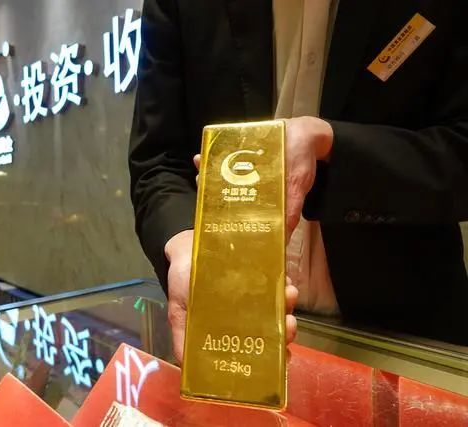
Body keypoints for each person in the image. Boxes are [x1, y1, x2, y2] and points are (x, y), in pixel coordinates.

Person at [129, 0, 468, 360]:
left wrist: (334, 146)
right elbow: (158, 160)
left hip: (410, 337)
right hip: (234, 330)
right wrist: (187, 246)